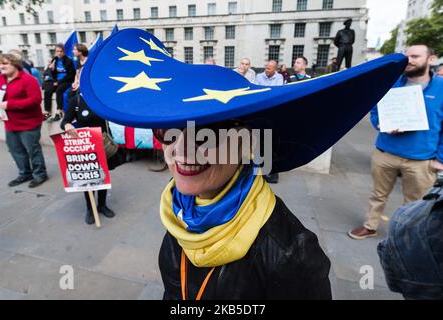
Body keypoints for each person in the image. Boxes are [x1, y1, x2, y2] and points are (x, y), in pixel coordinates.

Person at [80, 28, 408, 300]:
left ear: (247, 142)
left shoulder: (289, 252)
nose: (180, 150)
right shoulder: (181, 215)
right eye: (170, 131)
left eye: (205, 134)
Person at [349, 44, 443, 240]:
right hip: (386, 152)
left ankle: (406, 236)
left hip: (420, 158)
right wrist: (381, 123)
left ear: (430, 59)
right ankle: (370, 225)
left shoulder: (441, 88)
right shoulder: (392, 83)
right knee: (377, 195)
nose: (409, 60)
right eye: (406, 56)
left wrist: (440, 159)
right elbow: (375, 110)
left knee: (415, 203)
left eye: (416, 56)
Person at [0, 53, 48, 188]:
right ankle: (25, 173)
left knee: (32, 150)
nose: (1, 66)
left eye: (5, 63)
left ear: (15, 64)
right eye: (0, 64)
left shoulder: (29, 80)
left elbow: (35, 100)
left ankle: (40, 174)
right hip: (10, 123)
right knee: (15, 150)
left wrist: (10, 104)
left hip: (29, 123)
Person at [60, 96, 118, 225]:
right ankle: (90, 208)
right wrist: (67, 125)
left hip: (102, 144)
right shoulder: (77, 100)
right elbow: (64, 122)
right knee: (88, 178)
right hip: (85, 146)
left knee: (102, 176)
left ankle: (102, 205)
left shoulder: (101, 98)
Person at [255, 60, 284, 183]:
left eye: (269, 68)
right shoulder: (258, 76)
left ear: (275, 69)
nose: (266, 70)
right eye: (266, 67)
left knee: (271, 142)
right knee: (258, 141)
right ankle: (258, 171)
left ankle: (271, 173)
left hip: (272, 112)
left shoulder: (279, 77)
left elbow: (275, 93)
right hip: (259, 111)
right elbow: (256, 91)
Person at [43, 44, 75, 123]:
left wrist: (59, 82)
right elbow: (53, 74)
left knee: (59, 91)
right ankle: (47, 111)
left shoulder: (68, 60)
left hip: (67, 81)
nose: (59, 53)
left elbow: (71, 75)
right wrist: (52, 69)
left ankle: (59, 111)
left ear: (64, 52)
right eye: (57, 51)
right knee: (47, 91)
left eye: (61, 51)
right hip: (57, 81)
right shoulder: (55, 60)